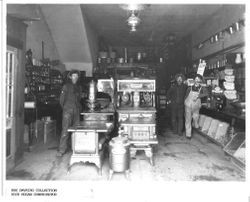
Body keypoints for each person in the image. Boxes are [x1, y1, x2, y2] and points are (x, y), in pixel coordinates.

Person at [57, 70, 82, 157]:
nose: (75, 78)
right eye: (74, 76)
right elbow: (61, 100)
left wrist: (77, 108)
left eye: (76, 76)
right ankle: (62, 149)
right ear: (70, 77)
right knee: (65, 130)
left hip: (76, 110)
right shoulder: (66, 86)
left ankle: (75, 148)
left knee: (76, 130)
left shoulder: (79, 87)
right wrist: (66, 108)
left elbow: (79, 99)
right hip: (67, 110)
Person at [184, 74, 208, 139]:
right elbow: (186, 96)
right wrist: (185, 102)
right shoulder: (190, 88)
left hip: (196, 106)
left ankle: (196, 124)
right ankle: (188, 134)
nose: (197, 80)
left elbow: (206, 94)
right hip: (188, 105)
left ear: (200, 80)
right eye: (196, 79)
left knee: (196, 117)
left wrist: (199, 96)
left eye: (198, 79)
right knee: (188, 120)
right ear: (194, 80)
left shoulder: (202, 88)